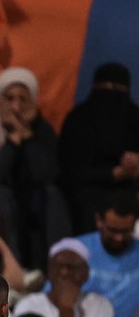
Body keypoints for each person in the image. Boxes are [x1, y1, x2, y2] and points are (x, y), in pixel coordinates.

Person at [0, 67, 66, 271]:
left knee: (52, 196)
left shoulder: (41, 129)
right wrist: (14, 141)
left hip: (28, 196)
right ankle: (14, 268)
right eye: (9, 99)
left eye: (23, 99)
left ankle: (57, 265)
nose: (15, 107)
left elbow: (45, 174)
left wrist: (27, 137)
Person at [58, 62, 139, 233]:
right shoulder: (78, 120)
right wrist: (113, 174)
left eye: (118, 89)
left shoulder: (135, 119)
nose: (111, 95)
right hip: (89, 191)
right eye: (106, 88)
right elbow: (70, 172)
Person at [77, 189, 139, 317]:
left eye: (125, 231)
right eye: (113, 230)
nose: (119, 238)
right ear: (99, 220)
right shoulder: (76, 252)